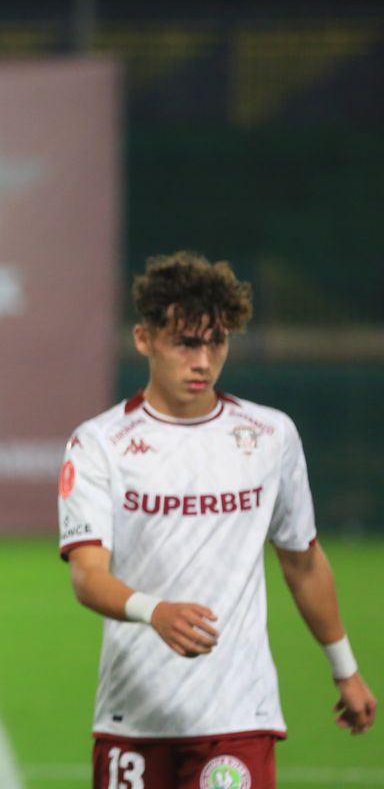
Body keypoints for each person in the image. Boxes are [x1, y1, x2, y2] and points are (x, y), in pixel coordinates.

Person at [58, 251, 376, 789]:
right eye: (186, 343)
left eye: (217, 342)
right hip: (134, 714)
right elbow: (87, 576)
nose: (203, 361)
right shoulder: (98, 444)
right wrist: (155, 612)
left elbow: (302, 562)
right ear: (144, 339)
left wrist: (345, 668)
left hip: (238, 715)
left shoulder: (270, 436)